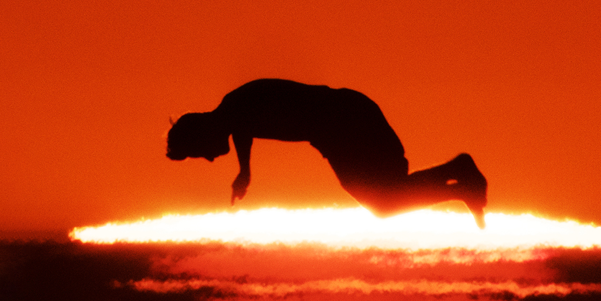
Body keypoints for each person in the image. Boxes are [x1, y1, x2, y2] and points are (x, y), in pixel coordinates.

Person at [166, 79, 488, 228]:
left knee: (385, 201)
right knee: (386, 199)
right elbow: (241, 130)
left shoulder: (237, 108)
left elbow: (241, 126)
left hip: (347, 122)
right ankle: (460, 182)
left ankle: (460, 178)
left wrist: (245, 171)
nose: (209, 158)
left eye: (199, 152)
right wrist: (244, 171)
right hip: (339, 133)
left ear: (200, 135)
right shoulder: (234, 111)